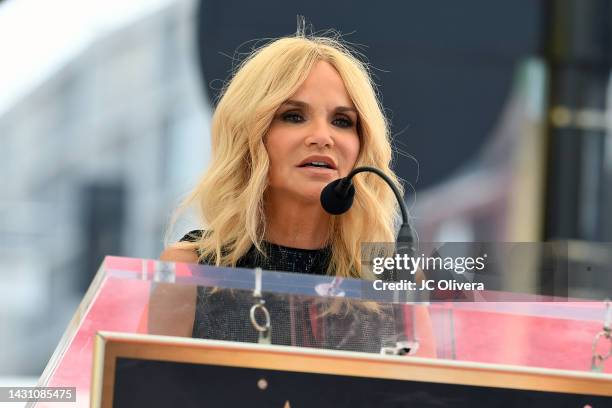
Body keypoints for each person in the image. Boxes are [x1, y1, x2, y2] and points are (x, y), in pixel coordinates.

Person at [152, 30, 435, 356]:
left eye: (342, 121)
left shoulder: (394, 280)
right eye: (293, 116)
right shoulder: (191, 268)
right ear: (251, 137)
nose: (322, 136)